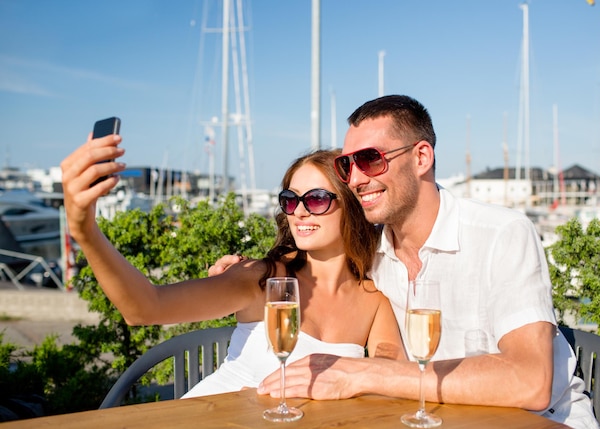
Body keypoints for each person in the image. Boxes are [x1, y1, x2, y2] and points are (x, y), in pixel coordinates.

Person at [213, 95, 597, 428]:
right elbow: (310, 255)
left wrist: (364, 373)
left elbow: (530, 381)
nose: (357, 179)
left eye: (370, 159)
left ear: (422, 157)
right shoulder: (370, 254)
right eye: (348, 166)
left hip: (543, 420)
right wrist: (250, 268)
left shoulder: (501, 234)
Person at [60, 137, 406, 396]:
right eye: (290, 199)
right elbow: (144, 307)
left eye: (315, 199)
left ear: (352, 207)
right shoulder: (262, 278)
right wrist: (85, 231)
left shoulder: (374, 300)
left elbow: (393, 373)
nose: (299, 211)